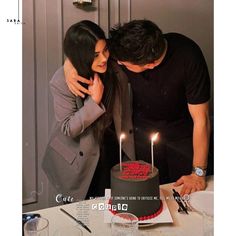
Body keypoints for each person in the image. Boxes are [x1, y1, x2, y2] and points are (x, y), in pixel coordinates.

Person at [64, 19, 213, 196]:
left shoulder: (188, 56)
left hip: (183, 134)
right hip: (141, 133)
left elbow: (201, 119)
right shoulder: (126, 47)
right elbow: (88, 49)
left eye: (124, 65)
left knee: (186, 196)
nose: (116, 62)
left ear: (150, 65)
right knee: (148, 194)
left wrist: (198, 173)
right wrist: (70, 65)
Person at [42, 20, 135, 203]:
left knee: (113, 211)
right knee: (82, 216)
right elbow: (68, 128)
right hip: (77, 157)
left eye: (105, 50)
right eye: (95, 55)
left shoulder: (114, 70)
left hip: (112, 150)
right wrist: (94, 101)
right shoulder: (62, 81)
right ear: (81, 55)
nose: (104, 58)